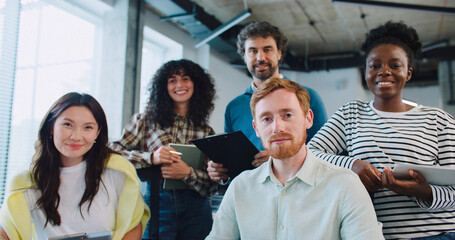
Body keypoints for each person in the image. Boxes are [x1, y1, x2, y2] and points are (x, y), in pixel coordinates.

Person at [308, 21, 455, 239]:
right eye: (375, 65)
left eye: (395, 65)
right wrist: (353, 165)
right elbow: (310, 154)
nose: (384, 71)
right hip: (374, 235)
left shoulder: (439, 120)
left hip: (437, 235)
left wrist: (421, 191)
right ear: (365, 72)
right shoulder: (350, 114)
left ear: (409, 73)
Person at [206, 77, 383, 239]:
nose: (277, 127)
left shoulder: (345, 186)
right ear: (256, 128)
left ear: (308, 118)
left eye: (287, 115)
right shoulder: (240, 187)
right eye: (266, 119)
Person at [0, 92, 150, 240]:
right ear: (51, 127)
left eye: (88, 127)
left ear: (97, 133)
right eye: (67, 124)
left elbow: (133, 225)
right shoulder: (26, 183)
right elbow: (7, 232)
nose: (76, 136)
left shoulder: (118, 171)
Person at [208, 21, 327, 184]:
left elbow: (325, 152)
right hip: (251, 193)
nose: (260, 57)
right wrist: (221, 172)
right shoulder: (233, 107)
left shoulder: (307, 96)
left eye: (267, 49)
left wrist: (279, 157)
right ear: (244, 56)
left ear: (279, 53)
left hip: (298, 188)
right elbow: (232, 161)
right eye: (253, 51)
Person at [110, 59, 217, 240]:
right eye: (172, 80)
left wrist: (188, 173)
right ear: (163, 86)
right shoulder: (144, 121)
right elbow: (112, 152)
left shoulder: (206, 131)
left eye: (185, 78)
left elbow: (212, 184)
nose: (179, 85)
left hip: (196, 209)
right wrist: (150, 157)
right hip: (157, 203)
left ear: (196, 84)